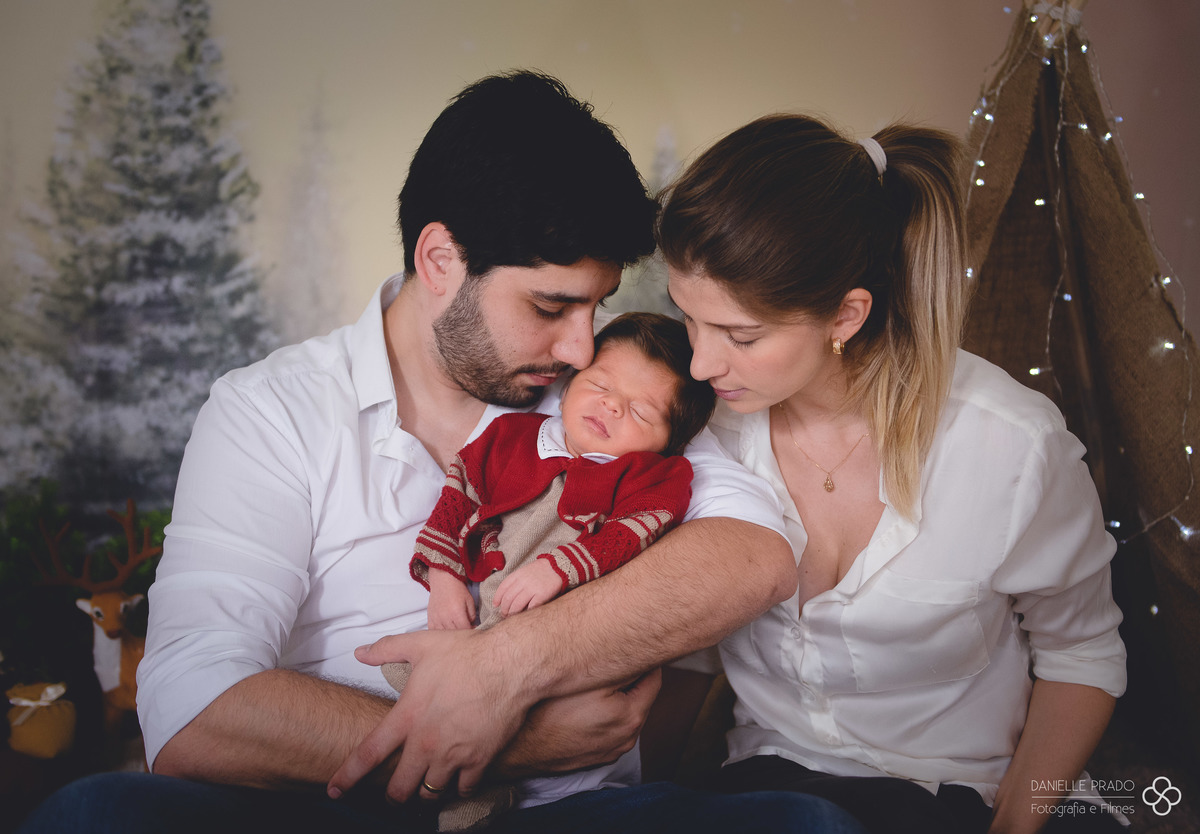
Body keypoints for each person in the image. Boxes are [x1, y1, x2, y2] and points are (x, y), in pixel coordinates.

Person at [17, 73, 865, 834]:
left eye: (597, 305)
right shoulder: (271, 410)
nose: (581, 348)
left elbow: (752, 556)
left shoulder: (615, 389)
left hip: (568, 816)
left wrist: (506, 668)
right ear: (440, 260)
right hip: (329, 807)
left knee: (807, 826)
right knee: (94, 815)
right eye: (550, 307)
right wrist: (512, 737)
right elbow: (191, 710)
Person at [655, 113, 1128, 834]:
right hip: (772, 788)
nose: (700, 364)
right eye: (687, 318)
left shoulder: (1009, 446)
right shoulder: (702, 429)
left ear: (846, 315)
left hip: (961, 792)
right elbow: (687, 646)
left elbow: (1082, 654)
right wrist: (644, 795)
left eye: (741, 335)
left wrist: (1014, 827)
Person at [386, 312, 716, 831]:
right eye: (600, 386)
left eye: (640, 411)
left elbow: (634, 532)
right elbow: (457, 495)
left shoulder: (655, 477)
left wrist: (560, 568)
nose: (612, 405)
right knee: (439, 692)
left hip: (572, 642)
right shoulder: (511, 437)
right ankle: (469, 787)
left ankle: (510, 787)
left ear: (669, 443)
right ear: (565, 389)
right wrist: (444, 579)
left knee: (558, 718)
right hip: (487, 619)